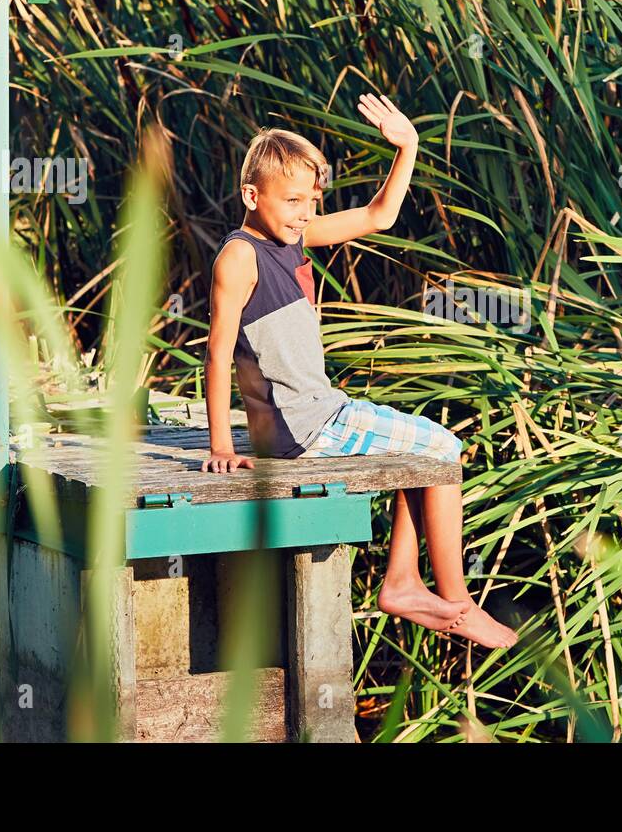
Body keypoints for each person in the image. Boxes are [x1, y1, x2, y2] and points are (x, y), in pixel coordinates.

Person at [200, 94, 517, 649]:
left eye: (311, 201)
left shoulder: (293, 237)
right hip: (306, 427)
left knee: (419, 449)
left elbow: (378, 215)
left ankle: (401, 583)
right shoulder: (241, 256)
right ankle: (457, 603)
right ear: (252, 195)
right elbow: (218, 351)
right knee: (443, 448)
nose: (304, 212)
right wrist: (222, 445)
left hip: (316, 416)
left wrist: (409, 145)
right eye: (292, 200)